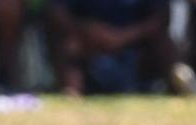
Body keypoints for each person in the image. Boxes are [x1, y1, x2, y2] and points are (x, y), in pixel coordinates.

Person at [48, 0, 178, 95]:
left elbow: (161, 17)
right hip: (89, 42)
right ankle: (72, 91)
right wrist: (88, 29)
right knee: (69, 43)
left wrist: (124, 36)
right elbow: (57, 12)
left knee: (162, 42)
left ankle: (175, 86)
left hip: (137, 44)